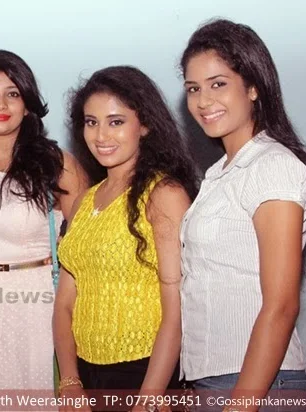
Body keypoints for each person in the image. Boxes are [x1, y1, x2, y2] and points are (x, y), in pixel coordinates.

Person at [179, 18, 306, 410]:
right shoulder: (219, 173)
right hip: (216, 378)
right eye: (193, 88)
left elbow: (281, 305)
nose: (203, 101)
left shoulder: (272, 165)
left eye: (218, 84)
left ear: (253, 87)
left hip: (255, 383)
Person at [53, 66, 198, 410]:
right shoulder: (85, 200)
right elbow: (64, 304)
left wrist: (149, 397)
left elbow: (176, 311)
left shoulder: (163, 195)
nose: (101, 135)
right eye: (91, 122)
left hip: (147, 374)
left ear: (144, 125)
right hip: (85, 377)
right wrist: (70, 382)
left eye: (116, 121)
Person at [0, 49, 87, 395]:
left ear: (27, 105)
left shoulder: (57, 165)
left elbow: (87, 247)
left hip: (36, 305)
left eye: (13, 93)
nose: (1, 104)